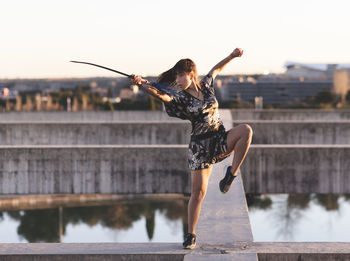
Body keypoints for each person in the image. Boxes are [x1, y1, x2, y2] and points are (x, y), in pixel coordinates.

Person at [131, 48, 253, 249]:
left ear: (191, 74)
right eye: (176, 75)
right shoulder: (180, 98)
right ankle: (191, 235)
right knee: (198, 193)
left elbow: (217, 68)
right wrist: (142, 84)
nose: (177, 80)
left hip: (219, 138)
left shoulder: (206, 86)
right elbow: (162, 96)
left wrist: (232, 56)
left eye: (180, 75)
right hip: (200, 147)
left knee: (246, 131)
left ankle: (231, 174)